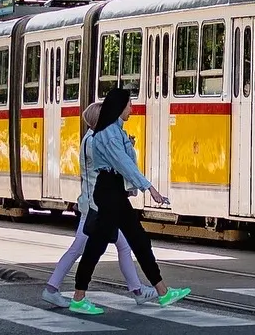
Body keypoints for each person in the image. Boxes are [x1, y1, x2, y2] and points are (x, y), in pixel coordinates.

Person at [68, 88, 189, 317]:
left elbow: (126, 160)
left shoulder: (115, 131)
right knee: (97, 246)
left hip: (113, 191)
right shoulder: (110, 134)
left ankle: (162, 292)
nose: (132, 110)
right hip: (109, 191)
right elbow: (124, 164)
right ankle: (78, 297)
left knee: (138, 240)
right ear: (120, 107)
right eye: (129, 105)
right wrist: (148, 187)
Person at [40, 101, 146, 310]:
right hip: (95, 209)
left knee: (120, 245)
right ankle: (52, 290)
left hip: (97, 206)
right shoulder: (93, 142)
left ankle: (138, 291)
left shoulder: (92, 140)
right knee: (78, 249)